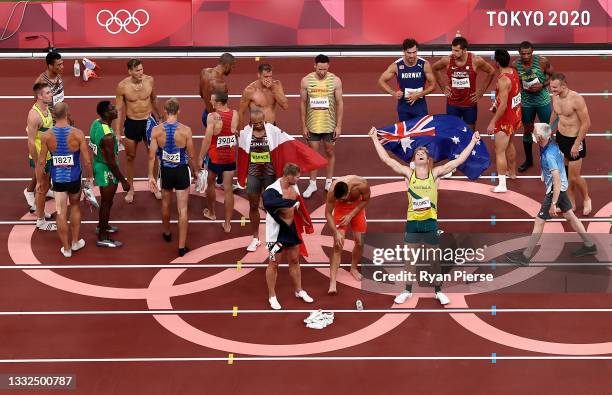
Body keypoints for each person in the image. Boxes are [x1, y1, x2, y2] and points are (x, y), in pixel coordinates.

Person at [369, 126, 481, 306]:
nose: (420, 153)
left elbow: (458, 161)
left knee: (434, 261)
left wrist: (473, 142)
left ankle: (438, 291)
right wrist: (375, 139)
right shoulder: (408, 174)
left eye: (424, 152)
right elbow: (386, 159)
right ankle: (407, 290)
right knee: (409, 259)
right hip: (413, 223)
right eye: (418, 152)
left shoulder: (435, 174)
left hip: (430, 223)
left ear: (428, 159)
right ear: (414, 159)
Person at [506, 123, 596, 265]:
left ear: (540, 137)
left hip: (555, 190)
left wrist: (553, 203)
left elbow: (557, 179)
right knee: (570, 216)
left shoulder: (548, 154)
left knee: (539, 221)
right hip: (560, 187)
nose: (532, 135)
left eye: (534, 133)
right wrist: (544, 171)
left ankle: (525, 256)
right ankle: (590, 245)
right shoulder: (550, 144)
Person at [37, 102, 92, 257]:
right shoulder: (78, 134)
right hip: (74, 178)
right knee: (75, 206)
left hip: (58, 179)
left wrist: (41, 181)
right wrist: (90, 176)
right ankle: (75, 242)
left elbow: (41, 161)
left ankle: (66, 249)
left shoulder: (47, 135)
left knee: (61, 212)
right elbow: (87, 160)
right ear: (68, 113)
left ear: (53, 115)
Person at [148, 98, 197, 257]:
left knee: (166, 204)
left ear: (164, 110)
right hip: (182, 171)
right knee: (183, 209)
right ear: (179, 110)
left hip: (166, 172)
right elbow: (191, 155)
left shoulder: (156, 131)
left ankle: (167, 232)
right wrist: (196, 172)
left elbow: (151, 157)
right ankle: (182, 247)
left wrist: (151, 176)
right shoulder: (186, 131)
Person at [262, 163, 314, 310]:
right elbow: (267, 202)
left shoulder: (294, 187)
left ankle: (299, 290)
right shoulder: (271, 191)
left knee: (295, 260)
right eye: (297, 177)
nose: (299, 179)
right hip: (275, 234)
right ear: (289, 176)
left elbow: (295, 205)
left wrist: (302, 217)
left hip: (290, 231)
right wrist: (291, 203)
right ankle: (272, 296)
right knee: (273, 264)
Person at [115, 58, 162, 203]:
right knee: (130, 157)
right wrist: (117, 132)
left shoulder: (150, 81)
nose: (141, 72)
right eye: (137, 70)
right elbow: (118, 110)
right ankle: (130, 188)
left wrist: (160, 117)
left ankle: (154, 186)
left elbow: (154, 99)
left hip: (149, 122)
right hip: (132, 123)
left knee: (153, 155)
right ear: (130, 71)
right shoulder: (122, 86)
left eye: (141, 69)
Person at [300, 54, 344, 198]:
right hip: (312, 125)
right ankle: (312, 183)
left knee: (329, 152)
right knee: (313, 154)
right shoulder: (306, 81)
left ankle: (329, 181)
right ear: (314, 66)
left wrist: (338, 126)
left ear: (328, 66)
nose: (322, 72)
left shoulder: (335, 81)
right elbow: (302, 103)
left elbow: (339, 103)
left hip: (329, 125)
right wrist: (304, 126)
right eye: (319, 69)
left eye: (325, 69)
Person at [549, 73, 592, 215]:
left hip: (574, 140)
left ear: (563, 86)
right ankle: (571, 204)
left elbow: (586, 123)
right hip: (561, 137)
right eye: (551, 86)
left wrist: (576, 143)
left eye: (554, 87)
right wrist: (549, 128)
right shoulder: (555, 96)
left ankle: (586, 198)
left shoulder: (576, 99)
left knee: (574, 176)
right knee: (565, 175)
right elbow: (555, 113)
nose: (552, 89)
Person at [432, 36, 495, 132]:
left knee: (470, 133)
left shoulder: (475, 60)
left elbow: (491, 71)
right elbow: (434, 68)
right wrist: (443, 87)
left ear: (464, 50)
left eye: (457, 51)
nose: (453, 53)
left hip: (469, 104)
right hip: (453, 103)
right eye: (452, 50)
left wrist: (482, 91)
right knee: (452, 132)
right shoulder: (447, 60)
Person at [90, 101, 131, 247]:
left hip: (98, 164)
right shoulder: (108, 137)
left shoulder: (96, 123)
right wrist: (123, 180)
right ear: (106, 114)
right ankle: (102, 236)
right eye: (112, 109)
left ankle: (103, 226)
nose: (116, 110)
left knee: (107, 203)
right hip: (106, 171)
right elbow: (111, 162)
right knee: (106, 204)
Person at [198, 90, 238, 232]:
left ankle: (212, 213)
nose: (210, 102)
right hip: (230, 157)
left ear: (219, 103)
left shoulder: (212, 117)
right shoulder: (235, 114)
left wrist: (200, 157)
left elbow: (208, 138)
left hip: (215, 157)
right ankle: (227, 224)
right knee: (228, 190)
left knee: (210, 182)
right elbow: (235, 132)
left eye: (212, 100)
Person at [325, 176, 370, 294]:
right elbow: (328, 213)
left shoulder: (362, 185)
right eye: (338, 199)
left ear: (349, 191)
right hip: (341, 211)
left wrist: (351, 215)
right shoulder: (332, 191)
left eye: (343, 198)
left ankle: (353, 268)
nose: (340, 200)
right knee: (337, 245)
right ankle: (332, 282)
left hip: (357, 209)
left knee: (360, 242)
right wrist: (336, 232)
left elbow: (366, 200)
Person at [514, 41, 554, 173]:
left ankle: (549, 159)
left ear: (533, 52)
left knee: (547, 129)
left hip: (542, 101)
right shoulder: (515, 65)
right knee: (527, 130)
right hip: (527, 103)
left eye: (528, 53)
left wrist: (542, 85)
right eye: (523, 54)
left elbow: (552, 76)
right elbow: (514, 82)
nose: (526, 56)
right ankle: (529, 161)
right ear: (519, 53)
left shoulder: (542, 62)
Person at [199, 53, 236, 188]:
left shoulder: (204, 72)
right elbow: (223, 105)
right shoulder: (221, 84)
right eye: (232, 67)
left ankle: (219, 179)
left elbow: (201, 93)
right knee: (218, 147)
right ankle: (209, 177)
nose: (231, 70)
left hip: (206, 114)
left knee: (216, 145)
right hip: (217, 118)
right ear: (226, 65)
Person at [242, 110, 277, 252]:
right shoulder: (246, 133)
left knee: (272, 207)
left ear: (265, 120)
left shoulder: (273, 132)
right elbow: (242, 154)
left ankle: (273, 237)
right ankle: (255, 238)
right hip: (253, 173)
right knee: (253, 206)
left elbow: (283, 149)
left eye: (259, 123)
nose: (256, 126)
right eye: (253, 123)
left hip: (269, 174)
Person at [487, 49, 521, 193]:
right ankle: (512, 172)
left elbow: (503, 106)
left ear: (497, 62)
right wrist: (496, 103)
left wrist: (493, 122)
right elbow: (510, 95)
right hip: (516, 115)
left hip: (505, 119)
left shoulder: (502, 80)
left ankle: (502, 184)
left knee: (499, 151)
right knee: (510, 143)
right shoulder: (513, 71)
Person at [378, 38, 436, 122]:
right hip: (403, 107)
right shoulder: (396, 65)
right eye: (409, 53)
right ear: (404, 51)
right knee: (405, 133)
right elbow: (381, 81)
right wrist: (393, 93)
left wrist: (419, 95)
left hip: (420, 106)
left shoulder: (424, 64)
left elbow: (433, 86)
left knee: (421, 134)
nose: (412, 55)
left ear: (417, 51)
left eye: (414, 52)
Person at [27, 82, 56, 231]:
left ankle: (39, 209)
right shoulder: (34, 115)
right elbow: (31, 142)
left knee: (45, 185)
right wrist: (39, 161)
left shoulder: (46, 109)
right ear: (39, 96)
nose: (51, 95)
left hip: (49, 153)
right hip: (41, 156)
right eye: (48, 93)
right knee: (42, 187)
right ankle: (40, 220)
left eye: (50, 92)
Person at [238, 63, 288, 128]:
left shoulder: (276, 85)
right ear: (259, 75)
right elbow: (241, 112)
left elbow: (285, 106)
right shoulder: (250, 90)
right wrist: (241, 132)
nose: (268, 79)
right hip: (256, 128)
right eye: (265, 77)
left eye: (270, 76)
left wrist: (273, 89)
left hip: (272, 127)